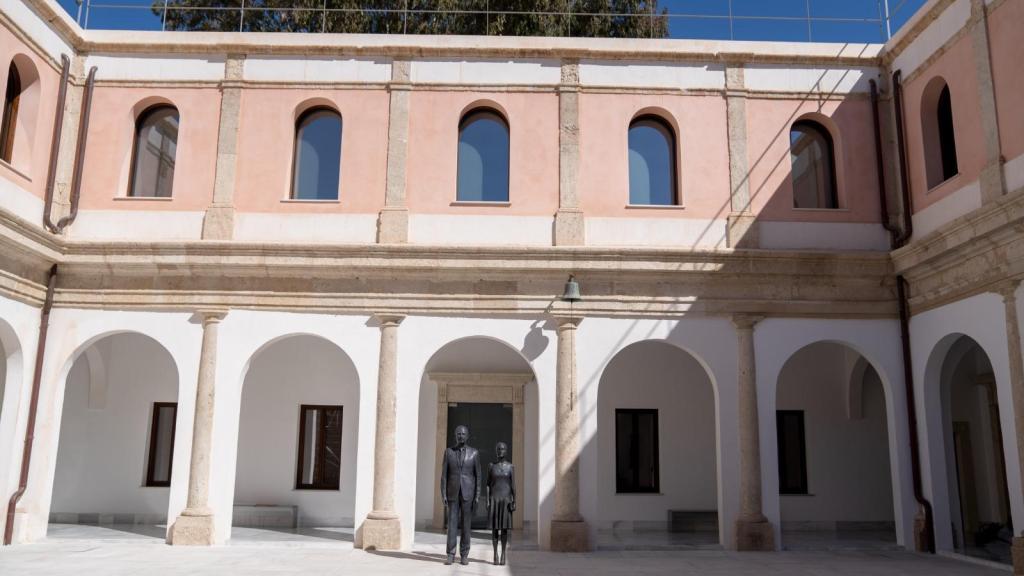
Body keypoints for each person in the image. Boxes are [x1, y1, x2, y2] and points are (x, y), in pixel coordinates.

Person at [440, 425, 481, 566]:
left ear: (467, 436)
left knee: (466, 526)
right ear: (455, 435)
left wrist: (477, 496)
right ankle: (450, 554)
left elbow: (478, 476)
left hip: (468, 494)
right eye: (458, 434)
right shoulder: (448, 452)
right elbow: (444, 476)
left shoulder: (474, 453)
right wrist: (443, 493)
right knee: (451, 525)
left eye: (463, 434)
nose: (461, 436)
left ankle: (464, 554)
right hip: (452, 493)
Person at [486, 441, 515, 566]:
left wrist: (515, 501)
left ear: (506, 451)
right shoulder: (491, 466)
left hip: (506, 500)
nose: (500, 451)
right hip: (494, 500)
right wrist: (487, 500)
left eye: (503, 449)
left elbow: (513, 486)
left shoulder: (511, 467)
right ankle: (495, 554)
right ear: (496, 451)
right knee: (494, 530)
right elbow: (487, 484)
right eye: (498, 449)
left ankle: (503, 553)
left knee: (504, 530)